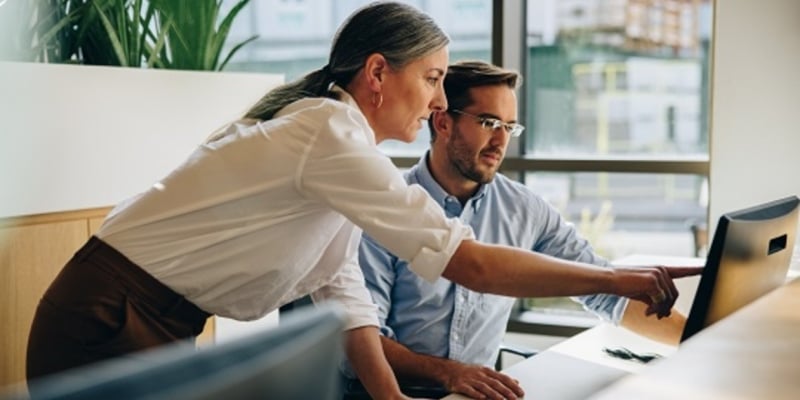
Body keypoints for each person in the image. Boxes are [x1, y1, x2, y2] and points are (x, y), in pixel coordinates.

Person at [26, 3, 699, 399]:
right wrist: (618, 277)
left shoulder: (340, 151)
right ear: (378, 73)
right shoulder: (326, 133)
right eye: (433, 79)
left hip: (153, 316)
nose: (440, 101)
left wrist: (391, 398)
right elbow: (471, 265)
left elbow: (340, 289)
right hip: (109, 314)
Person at [354, 61, 691, 400]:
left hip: (476, 394)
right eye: (488, 123)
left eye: (509, 127)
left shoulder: (524, 209)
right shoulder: (387, 210)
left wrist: (698, 339)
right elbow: (363, 337)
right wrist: (449, 374)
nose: (500, 142)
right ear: (443, 122)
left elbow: (604, 291)